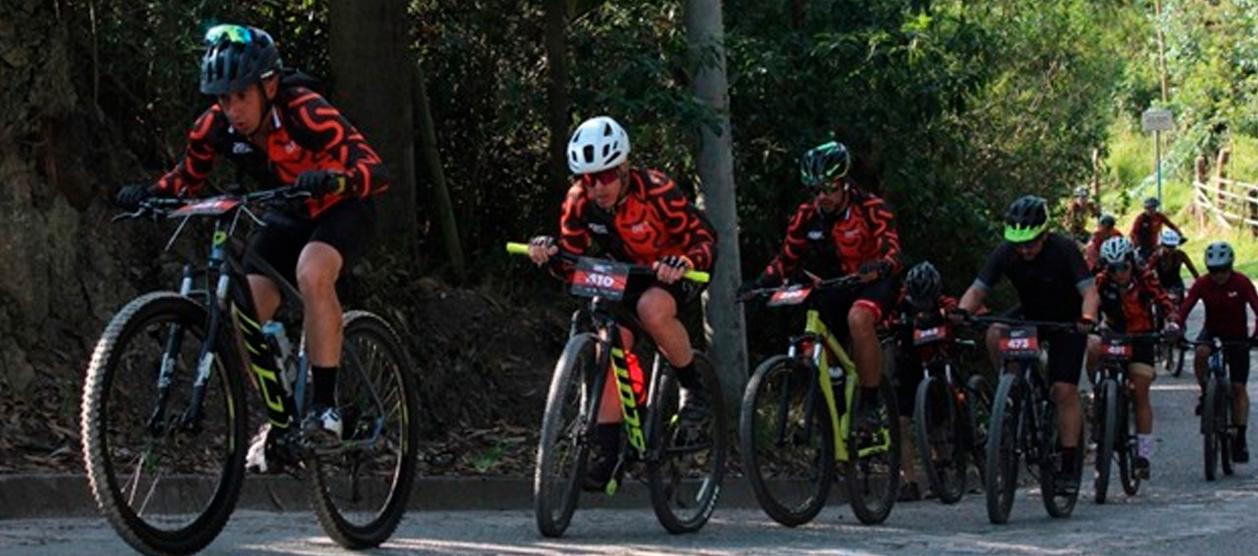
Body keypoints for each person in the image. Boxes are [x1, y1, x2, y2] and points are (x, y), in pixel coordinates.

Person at [114, 24, 388, 472]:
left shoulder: (305, 111)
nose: (231, 109)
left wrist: (336, 177)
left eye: (241, 96)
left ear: (269, 85)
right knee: (246, 312)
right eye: (223, 98)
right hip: (287, 212)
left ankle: (325, 410)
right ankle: (282, 417)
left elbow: (373, 168)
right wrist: (148, 192)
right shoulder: (215, 127)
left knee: (311, 272)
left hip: (342, 208)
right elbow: (187, 177)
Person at [527, 116, 717, 490]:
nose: (598, 187)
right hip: (627, 271)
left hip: (675, 267)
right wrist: (549, 254)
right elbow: (572, 263)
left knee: (651, 309)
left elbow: (704, 239)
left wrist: (686, 262)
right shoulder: (578, 201)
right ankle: (609, 449)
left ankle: (692, 386)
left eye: (606, 176)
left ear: (625, 168)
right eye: (588, 178)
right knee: (608, 346)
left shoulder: (658, 191)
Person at [741, 140, 903, 439]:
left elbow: (893, 251)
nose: (822, 197)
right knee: (812, 342)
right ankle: (832, 429)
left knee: (859, 318)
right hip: (834, 285)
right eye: (815, 190)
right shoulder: (807, 215)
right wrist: (760, 283)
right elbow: (786, 259)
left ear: (844, 184)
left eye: (828, 189)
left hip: (873, 282)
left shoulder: (869, 208)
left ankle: (869, 402)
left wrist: (879, 265)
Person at [954, 195, 1100, 494]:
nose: (1024, 250)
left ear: (1045, 234)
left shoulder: (1064, 249)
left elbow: (1090, 292)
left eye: (1030, 243)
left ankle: (1070, 464)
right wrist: (961, 312)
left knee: (1064, 391)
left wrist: (1088, 316)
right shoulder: (1007, 251)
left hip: (1067, 321)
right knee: (994, 332)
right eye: (1019, 244)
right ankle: (1011, 388)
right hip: (1031, 314)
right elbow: (977, 290)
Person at [1085, 236, 1180, 479]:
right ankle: (1099, 395)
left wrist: (1171, 322)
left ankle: (1144, 454)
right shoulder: (1101, 281)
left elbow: (1164, 300)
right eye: (1112, 268)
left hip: (1142, 338)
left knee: (1140, 393)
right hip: (1114, 335)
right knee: (1092, 347)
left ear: (1131, 263)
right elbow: (1088, 303)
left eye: (1123, 267)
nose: (1119, 273)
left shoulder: (1145, 277)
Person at [1177, 241, 1258, 463]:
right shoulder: (1203, 284)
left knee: (1238, 387)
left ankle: (1240, 437)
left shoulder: (1241, 282)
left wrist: (1256, 335)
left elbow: (1256, 307)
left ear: (1230, 267)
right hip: (1212, 330)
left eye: (1222, 270)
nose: (1218, 275)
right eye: (1213, 270)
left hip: (1238, 336)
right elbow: (1185, 308)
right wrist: (1176, 326)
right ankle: (1206, 391)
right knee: (1201, 351)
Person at [892, 261, 958, 501]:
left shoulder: (944, 303)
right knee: (900, 422)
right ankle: (908, 481)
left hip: (935, 363)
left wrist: (955, 317)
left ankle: (942, 472)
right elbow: (885, 319)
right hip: (908, 363)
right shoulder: (899, 301)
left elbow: (960, 311)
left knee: (936, 421)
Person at [1146, 229, 1198, 301]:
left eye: (1173, 247)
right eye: (1168, 246)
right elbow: (1147, 271)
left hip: (1176, 286)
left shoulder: (1181, 255)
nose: (1170, 250)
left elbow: (1193, 271)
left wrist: (1199, 284)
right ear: (1162, 245)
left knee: (1180, 306)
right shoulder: (1156, 256)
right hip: (1161, 287)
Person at [1130, 197, 1183, 261]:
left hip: (1156, 244)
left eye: (1153, 208)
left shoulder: (1159, 216)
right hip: (1143, 245)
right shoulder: (1141, 218)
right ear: (1146, 209)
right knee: (1144, 263)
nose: (1151, 210)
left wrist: (1179, 233)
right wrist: (1136, 244)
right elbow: (1133, 233)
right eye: (1149, 208)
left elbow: (1170, 225)